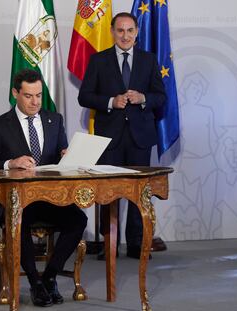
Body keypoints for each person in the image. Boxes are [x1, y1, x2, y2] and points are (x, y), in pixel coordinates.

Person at [0, 69, 88, 307]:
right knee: (19, 220)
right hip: (16, 202)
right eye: (28, 96)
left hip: (50, 200)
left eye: (38, 95)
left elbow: (61, 158)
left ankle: (48, 277)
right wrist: (11, 163)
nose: (35, 101)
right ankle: (35, 284)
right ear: (16, 93)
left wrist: (68, 157)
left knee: (78, 220)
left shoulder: (54, 120)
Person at [78, 12, 167, 259]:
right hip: (110, 138)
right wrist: (110, 101)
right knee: (109, 193)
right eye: (120, 30)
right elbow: (84, 96)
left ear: (136, 32)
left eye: (130, 31)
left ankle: (137, 243)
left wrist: (143, 98)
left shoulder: (149, 60)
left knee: (140, 192)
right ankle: (110, 244)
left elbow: (162, 96)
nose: (125, 35)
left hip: (140, 137)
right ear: (112, 31)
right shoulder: (98, 60)